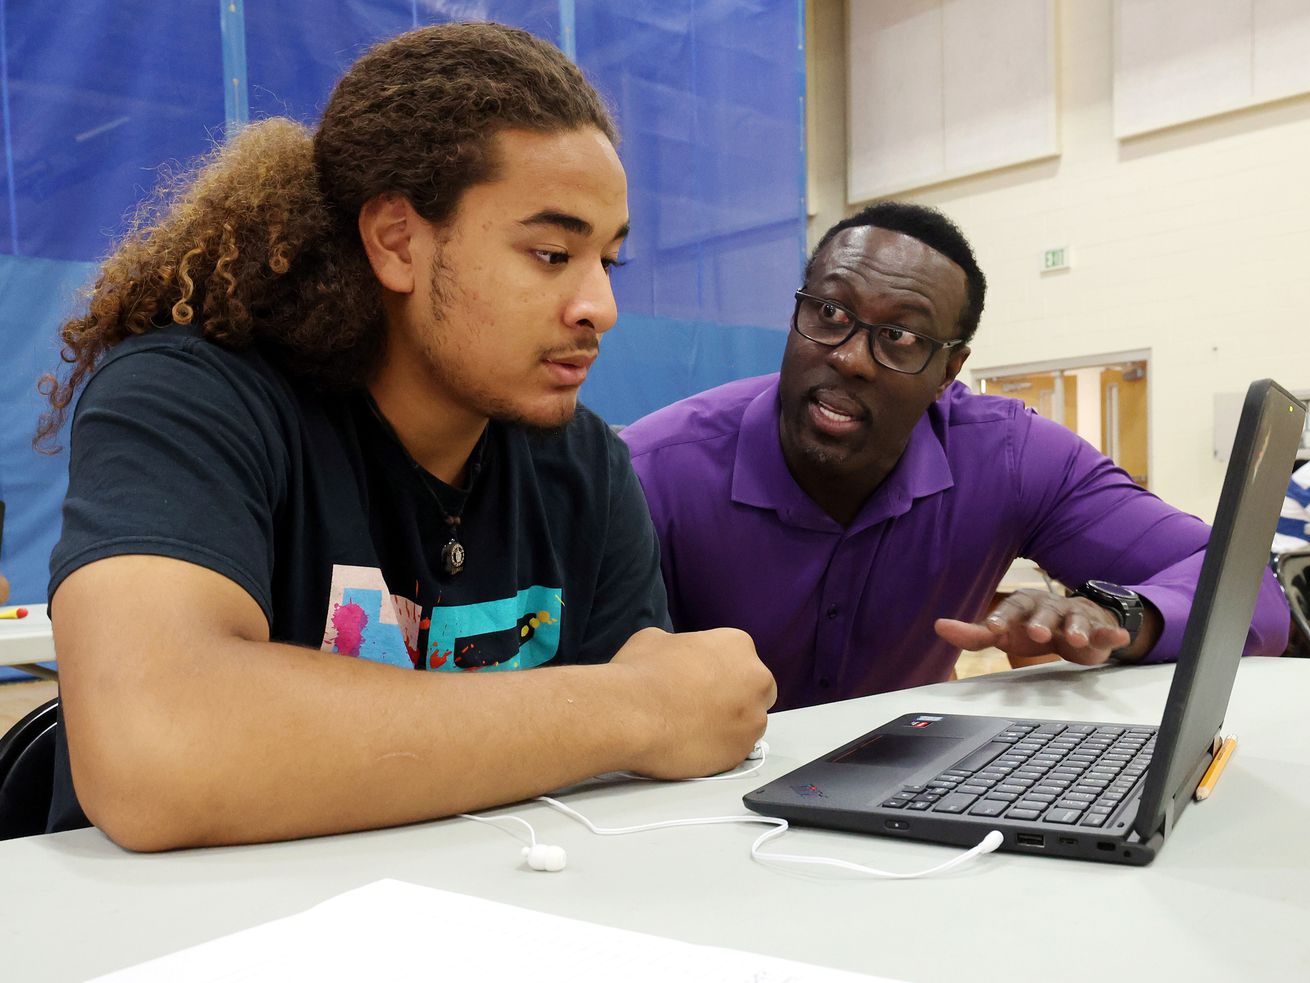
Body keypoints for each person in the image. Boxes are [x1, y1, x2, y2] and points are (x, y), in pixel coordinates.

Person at [39, 23, 774, 851]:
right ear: (397, 241)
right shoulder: (190, 399)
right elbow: (155, 748)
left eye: (609, 260)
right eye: (550, 252)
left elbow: (633, 784)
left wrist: (655, 711)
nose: (598, 306)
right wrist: (640, 709)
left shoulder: (585, 463)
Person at [621, 201, 1289, 711]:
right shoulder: (652, 471)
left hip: (904, 800)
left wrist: (1121, 615)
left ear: (950, 370)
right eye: (828, 311)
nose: (849, 355)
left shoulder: (1010, 457)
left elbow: (1246, 587)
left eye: (902, 337)